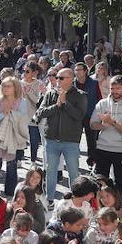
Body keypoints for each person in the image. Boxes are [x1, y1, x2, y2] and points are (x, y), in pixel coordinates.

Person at [33, 68, 86, 206]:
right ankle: (49, 199)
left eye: (61, 78)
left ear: (71, 79)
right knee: (50, 171)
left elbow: (80, 116)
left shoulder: (80, 95)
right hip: (51, 140)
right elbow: (41, 112)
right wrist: (57, 106)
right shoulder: (50, 94)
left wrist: (65, 103)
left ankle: (75, 201)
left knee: (74, 172)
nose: (57, 80)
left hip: (71, 142)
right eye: (57, 77)